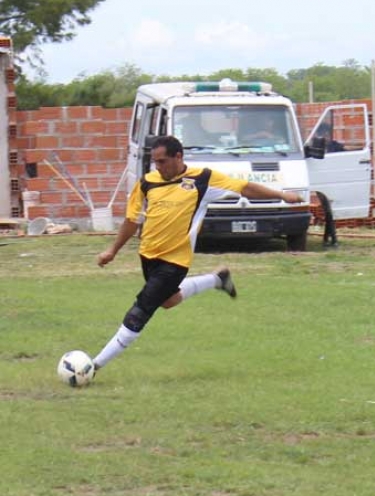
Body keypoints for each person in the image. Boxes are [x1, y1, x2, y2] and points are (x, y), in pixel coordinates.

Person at [91, 135, 302, 373]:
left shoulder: (203, 179)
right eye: (155, 162)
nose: (158, 167)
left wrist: (281, 195)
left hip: (175, 261)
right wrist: (113, 250)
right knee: (169, 301)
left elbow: (245, 188)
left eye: (162, 162)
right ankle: (217, 280)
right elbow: (131, 220)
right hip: (148, 256)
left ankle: (93, 365)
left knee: (141, 310)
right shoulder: (147, 182)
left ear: (178, 157)